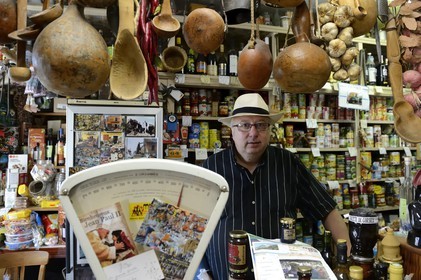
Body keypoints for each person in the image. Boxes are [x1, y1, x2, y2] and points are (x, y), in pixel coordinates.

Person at [200, 93, 351, 279]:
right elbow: (194, 225)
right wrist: (200, 272)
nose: (253, 133)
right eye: (245, 125)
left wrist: (348, 260)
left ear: (270, 129)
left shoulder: (288, 163)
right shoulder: (211, 167)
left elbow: (326, 209)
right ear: (231, 129)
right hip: (223, 275)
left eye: (261, 125)